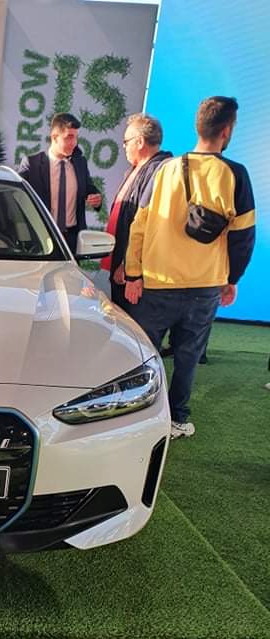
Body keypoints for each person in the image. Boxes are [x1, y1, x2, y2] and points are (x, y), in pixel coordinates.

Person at [125, 96, 255, 439]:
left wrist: (134, 273)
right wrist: (232, 279)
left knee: (143, 355)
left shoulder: (165, 170)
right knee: (187, 357)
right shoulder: (235, 174)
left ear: (199, 126)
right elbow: (243, 237)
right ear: (226, 131)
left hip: (157, 283)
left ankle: (135, 418)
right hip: (204, 286)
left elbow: (139, 225)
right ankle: (177, 419)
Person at [102, 113, 171, 314]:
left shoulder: (159, 171)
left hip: (133, 274)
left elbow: (146, 224)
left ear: (140, 142)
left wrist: (128, 265)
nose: (124, 147)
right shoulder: (135, 170)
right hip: (119, 265)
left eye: (126, 141)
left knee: (130, 325)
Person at [18, 113, 102, 253]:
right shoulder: (32, 164)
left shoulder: (80, 162)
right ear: (54, 137)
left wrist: (96, 198)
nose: (74, 143)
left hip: (72, 239)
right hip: (41, 238)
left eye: (76, 137)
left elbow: (89, 188)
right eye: (69, 137)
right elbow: (18, 199)